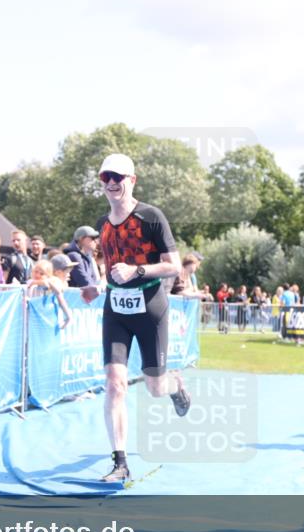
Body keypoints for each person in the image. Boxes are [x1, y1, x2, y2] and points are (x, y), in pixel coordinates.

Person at [79, 153, 191, 483]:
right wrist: (99, 285)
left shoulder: (151, 217)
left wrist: (136, 270)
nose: (112, 182)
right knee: (115, 384)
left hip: (151, 306)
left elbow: (173, 265)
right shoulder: (102, 224)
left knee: (156, 387)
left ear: (132, 180)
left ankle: (176, 385)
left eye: (118, 177)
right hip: (116, 309)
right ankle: (120, 462)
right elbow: (111, 266)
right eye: (105, 177)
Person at [30, 258, 71, 328]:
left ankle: (68, 316)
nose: (38, 275)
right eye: (36, 272)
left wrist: (46, 282)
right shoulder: (30, 282)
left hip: (47, 316)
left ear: (48, 275)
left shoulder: (52, 281)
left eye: (42, 273)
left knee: (59, 295)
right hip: (34, 317)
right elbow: (31, 283)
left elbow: (57, 289)